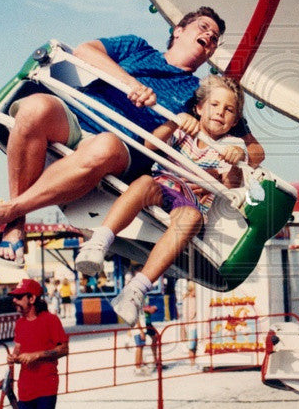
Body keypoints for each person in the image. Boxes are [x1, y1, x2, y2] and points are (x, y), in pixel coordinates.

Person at [0, 8, 263, 265]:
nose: (208, 37)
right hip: (80, 118)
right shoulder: (137, 46)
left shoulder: (199, 91)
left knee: (105, 145)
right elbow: (86, 51)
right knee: (33, 108)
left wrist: (241, 154)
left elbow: (250, 144)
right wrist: (130, 84)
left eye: (214, 39)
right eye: (203, 27)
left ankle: (6, 213)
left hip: (122, 149)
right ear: (179, 30)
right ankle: (15, 226)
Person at [73, 75, 248, 325]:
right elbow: (150, 144)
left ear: (234, 121)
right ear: (199, 108)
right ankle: (99, 241)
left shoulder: (232, 144)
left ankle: (136, 289)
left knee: (192, 218)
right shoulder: (185, 128)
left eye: (228, 109)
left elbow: (231, 186)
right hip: (162, 184)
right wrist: (173, 123)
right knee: (143, 184)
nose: (220, 112)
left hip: (190, 202)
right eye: (214, 105)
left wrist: (236, 161)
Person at [7, 278, 69, 409]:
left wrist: (37, 355)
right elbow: (18, 346)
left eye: (18, 297)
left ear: (32, 298)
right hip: (25, 387)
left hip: (46, 386)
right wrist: (13, 357)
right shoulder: (20, 323)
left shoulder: (50, 320)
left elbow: (64, 349)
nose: (14, 301)